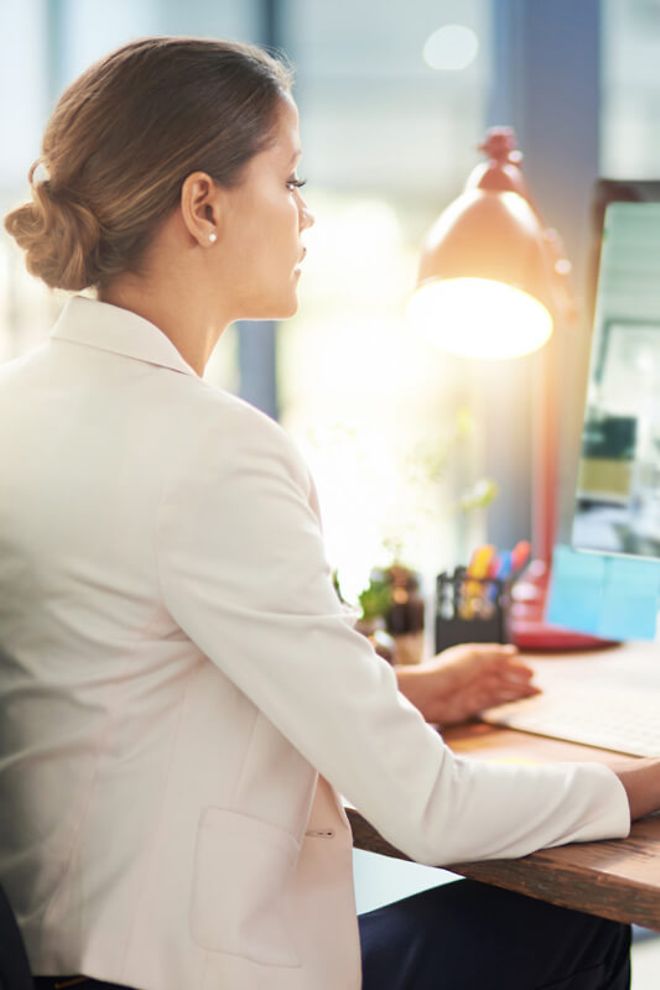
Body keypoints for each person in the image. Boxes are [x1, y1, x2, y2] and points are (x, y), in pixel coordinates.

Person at [0, 36, 656, 990]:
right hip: (186, 974)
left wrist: (407, 694)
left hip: (76, 948)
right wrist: (643, 782)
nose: (307, 217)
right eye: (290, 179)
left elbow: (131, 677)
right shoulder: (212, 450)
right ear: (202, 205)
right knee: (561, 930)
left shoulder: (21, 404)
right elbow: (436, 811)